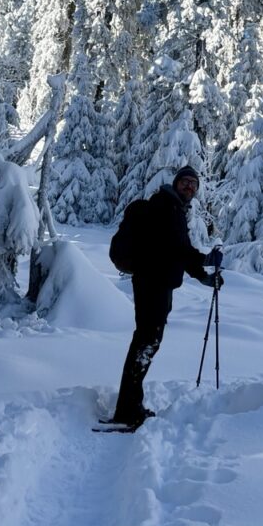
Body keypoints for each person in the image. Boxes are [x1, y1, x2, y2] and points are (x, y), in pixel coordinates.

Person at [105, 165, 221, 428]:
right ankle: (127, 410)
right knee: (146, 343)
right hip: (152, 284)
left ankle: (130, 405)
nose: (189, 187)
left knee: (146, 342)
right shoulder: (166, 207)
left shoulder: (174, 208)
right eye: (185, 182)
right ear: (176, 183)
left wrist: (201, 272)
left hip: (157, 284)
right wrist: (203, 262)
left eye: (194, 184)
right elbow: (178, 248)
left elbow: (176, 251)